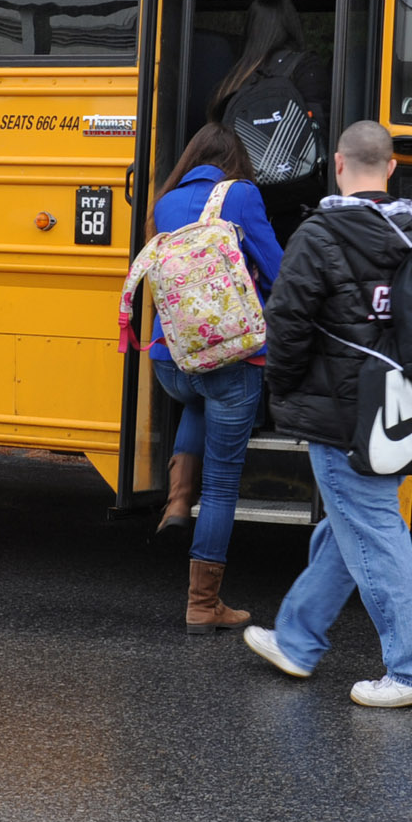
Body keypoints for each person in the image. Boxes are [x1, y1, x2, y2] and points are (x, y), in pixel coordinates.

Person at [241, 120, 412, 708]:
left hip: (341, 413)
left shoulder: (320, 233)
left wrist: (281, 391)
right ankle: (297, 639)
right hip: (405, 405)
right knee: (352, 523)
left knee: (373, 530)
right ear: (391, 167)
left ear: (339, 164)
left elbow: (285, 323)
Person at [144, 122, 284, 633]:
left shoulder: (165, 201)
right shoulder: (241, 195)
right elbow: (276, 268)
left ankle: (177, 500)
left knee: (197, 400)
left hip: (170, 360)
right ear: (235, 161)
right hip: (228, 359)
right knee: (223, 485)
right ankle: (203, 603)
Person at [209, 0, 330, 238]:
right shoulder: (306, 68)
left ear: (251, 29)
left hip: (244, 198)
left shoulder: (232, 80)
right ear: (292, 26)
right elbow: (322, 132)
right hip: (299, 202)